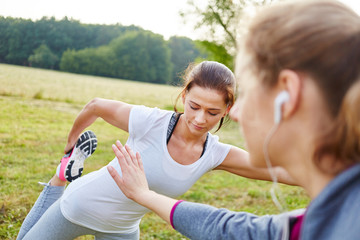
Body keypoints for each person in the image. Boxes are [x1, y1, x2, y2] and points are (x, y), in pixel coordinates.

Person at [107, 0, 360, 239]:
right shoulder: (325, 220)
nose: (236, 113)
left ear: (288, 94)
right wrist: (144, 195)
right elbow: (229, 230)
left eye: (249, 91)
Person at [17, 60, 295, 240]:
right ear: (184, 96)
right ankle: (63, 174)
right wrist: (70, 146)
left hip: (123, 229)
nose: (200, 119)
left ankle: (62, 175)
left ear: (228, 110)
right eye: (194, 107)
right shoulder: (150, 121)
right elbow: (95, 105)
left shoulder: (215, 153)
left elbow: (278, 170)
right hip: (81, 206)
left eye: (212, 112)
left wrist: (331, 177)